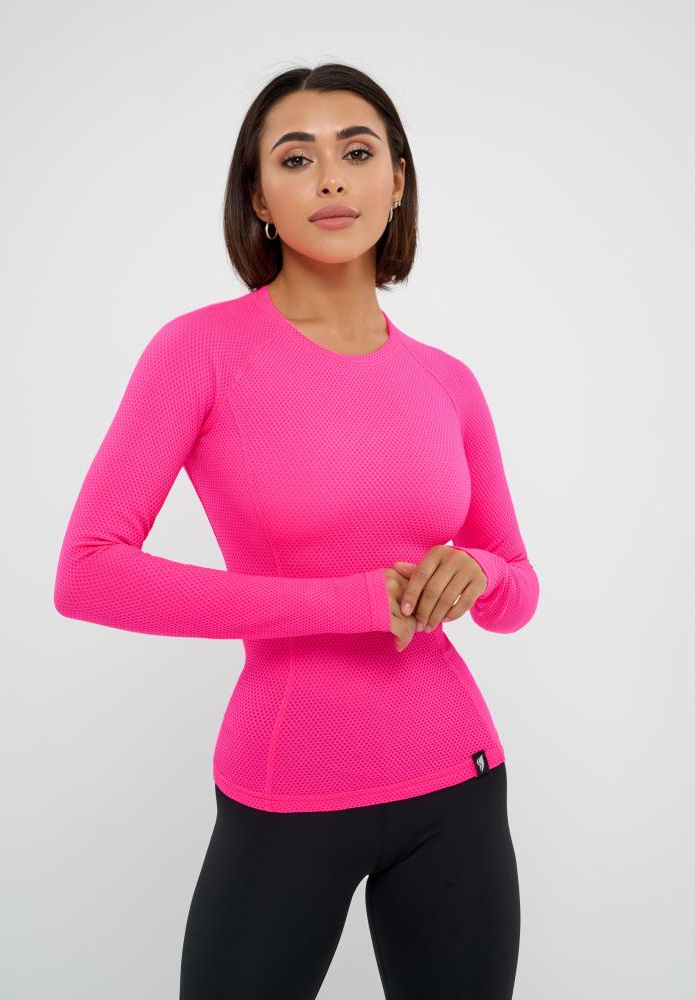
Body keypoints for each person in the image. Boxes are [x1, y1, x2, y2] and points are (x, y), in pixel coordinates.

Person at [54, 61, 540, 1000]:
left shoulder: (448, 380)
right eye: (295, 157)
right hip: (287, 784)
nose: (329, 178)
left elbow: (517, 587)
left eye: (356, 152)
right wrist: (349, 601)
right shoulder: (200, 352)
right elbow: (88, 573)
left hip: (458, 779)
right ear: (259, 199)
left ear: (396, 181)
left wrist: (479, 573)